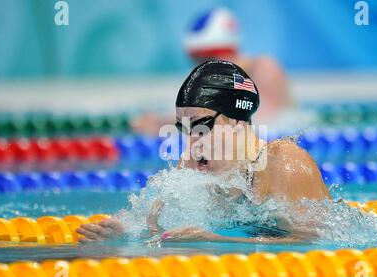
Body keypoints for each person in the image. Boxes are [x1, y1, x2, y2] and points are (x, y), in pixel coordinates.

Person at [77, 60, 329, 244]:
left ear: (237, 121)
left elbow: (314, 243)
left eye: (201, 126)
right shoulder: (193, 162)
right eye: (183, 129)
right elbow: (154, 223)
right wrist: (126, 232)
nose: (191, 143)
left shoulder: (282, 163)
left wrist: (215, 239)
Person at [132, 7, 292, 135]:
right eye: (196, 60)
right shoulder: (214, 85)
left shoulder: (263, 68)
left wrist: (167, 124)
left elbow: (264, 121)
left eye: (206, 58)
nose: (202, 67)